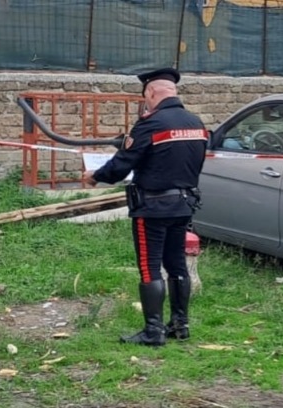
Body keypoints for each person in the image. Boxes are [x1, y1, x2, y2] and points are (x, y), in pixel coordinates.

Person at [82, 67, 207, 345]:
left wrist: (96, 176)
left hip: (152, 207)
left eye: (146, 97)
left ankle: (153, 331)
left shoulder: (151, 123)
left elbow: (123, 163)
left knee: (150, 267)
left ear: (151, 92)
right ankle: (180, 325)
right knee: (177, 266)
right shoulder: (196, 123)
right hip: (184, 204)